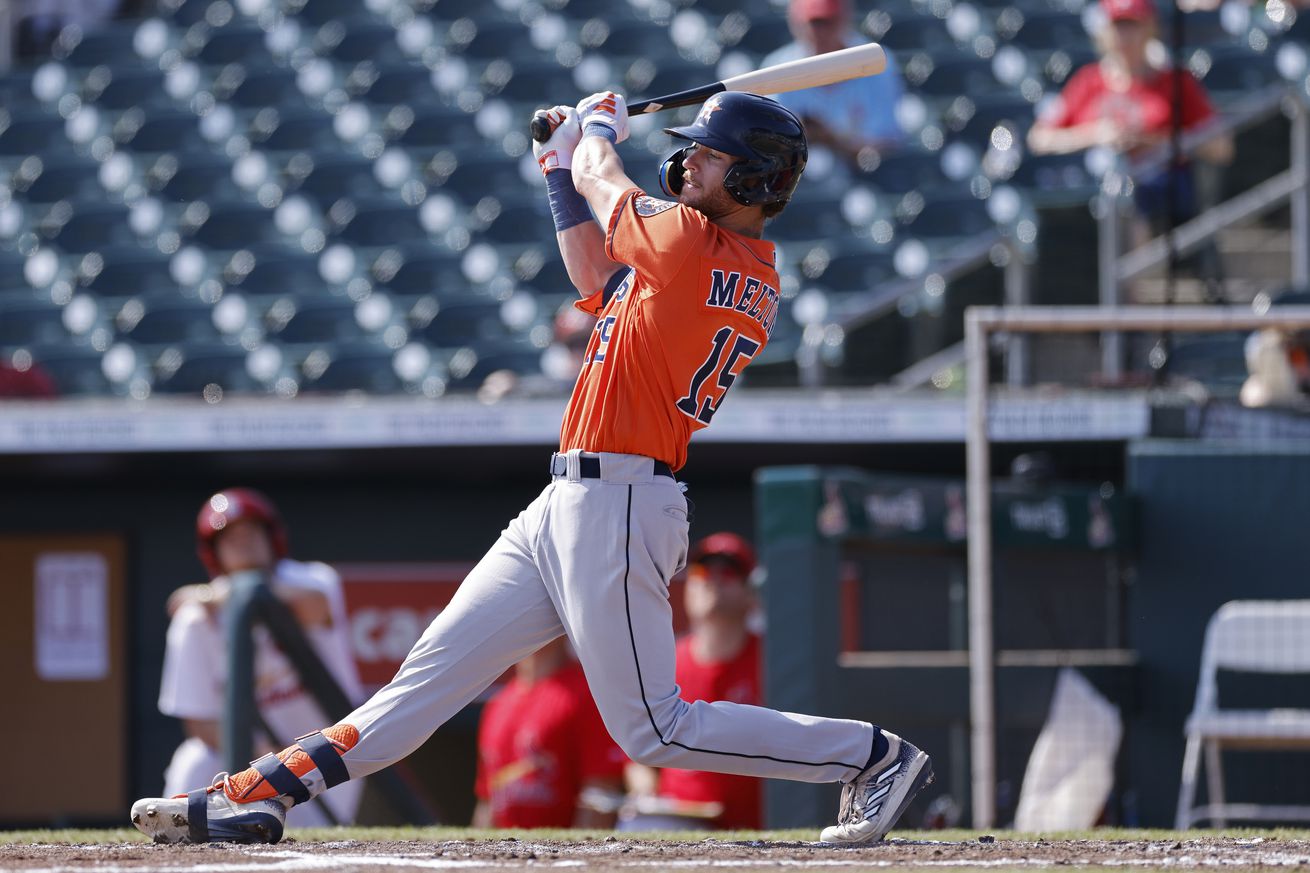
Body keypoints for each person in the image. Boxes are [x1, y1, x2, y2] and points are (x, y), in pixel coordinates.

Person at [129, 89, 932, 847]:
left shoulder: (690, 245)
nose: (688, 163)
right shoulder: (701, 257)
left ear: (755, 175)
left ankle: (869, 756)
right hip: (571, 500)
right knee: (421, 686)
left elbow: (603, 179)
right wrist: (558, 169)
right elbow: (594, 277)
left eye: (710, 156)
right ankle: (254, 795)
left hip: (620, 499)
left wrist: (595, 134)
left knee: (655, 728)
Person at [156, 487, 363, 830]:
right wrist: (264, 756)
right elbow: (199, 722)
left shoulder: (312, 580)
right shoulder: (196, 618)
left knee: (311, 843)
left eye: (251, 532)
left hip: (319, 751)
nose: (243, 543)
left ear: (272, 537)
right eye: (231, 537)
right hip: (247, 753)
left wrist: (232, 591)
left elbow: (317, 606)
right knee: (192, 760)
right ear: (214, 550)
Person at [1026, 0, 1233, 233]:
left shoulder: (1176, 81)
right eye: (1118, 25)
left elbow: (1221, 147)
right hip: (1094, 201)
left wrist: (1152, 142)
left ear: (1149, 28)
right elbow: (1039, 138)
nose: (1125, 35)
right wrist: (1094, 135)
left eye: (1133, 25)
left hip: (1163, 198)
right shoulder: (1087, 81)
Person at [624, 533, 765, 831]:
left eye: (727, 572)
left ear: (750, 594)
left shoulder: (773, 663)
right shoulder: (662, 661)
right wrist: (645, 791)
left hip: (759, 830)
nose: (712, 580)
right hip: (676, 822)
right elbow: (637, 753)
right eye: (701, 571)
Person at [472, 637, 626, 829]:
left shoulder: (587, 694)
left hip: (558, 854)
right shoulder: (497, 704)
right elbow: (488, 801)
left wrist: (575, 857)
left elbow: (600, 795)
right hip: (506, 854)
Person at [761, 0, 906, 164]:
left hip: (864, 177)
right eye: (814, 23)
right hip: (797, 177)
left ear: (844, 19)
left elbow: (884, 146)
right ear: (796, 24)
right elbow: (770, 146)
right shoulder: (777, 68)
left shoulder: (875, 61)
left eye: (828, 22)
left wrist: (831, 140)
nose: (820, 31)